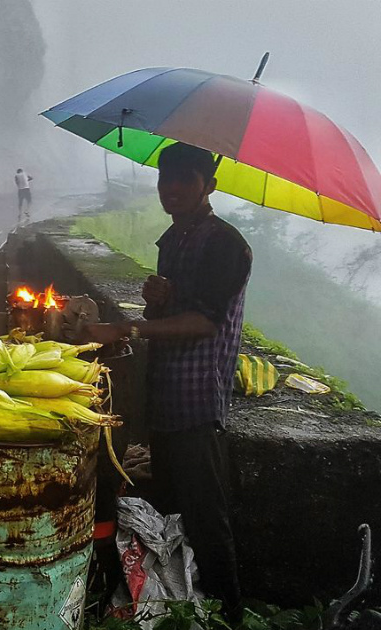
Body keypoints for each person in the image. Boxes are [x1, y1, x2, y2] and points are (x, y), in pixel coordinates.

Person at [86, 142, 250, 617]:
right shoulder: (174, 238)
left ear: (209, 186)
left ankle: (228, 611)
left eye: (185, 179)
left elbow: (204, 321)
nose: (172, 189)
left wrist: (128, 326)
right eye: (165, 179)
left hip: (197, 398)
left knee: (206, 514)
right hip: (164, 395)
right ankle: (173, 599)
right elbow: (183, 304)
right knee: (168, 504)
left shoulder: (225, 243)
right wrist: (161, 296)